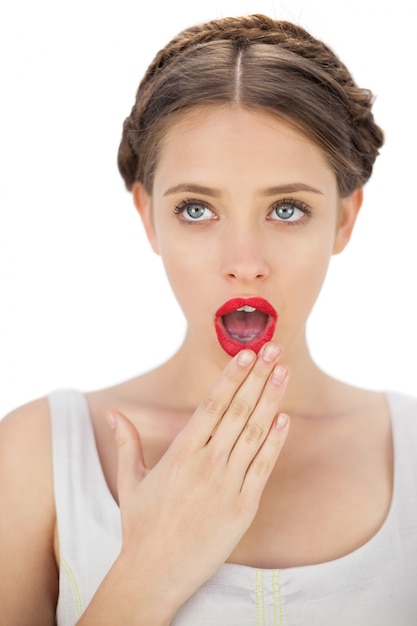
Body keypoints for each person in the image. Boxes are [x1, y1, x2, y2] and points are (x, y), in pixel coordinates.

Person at [1, 12, 416, 626]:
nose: (244, 263)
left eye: (287, 208)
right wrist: (151, 568)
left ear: (345, 218)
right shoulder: (39, 455)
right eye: (196, 209)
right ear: (147, 217)